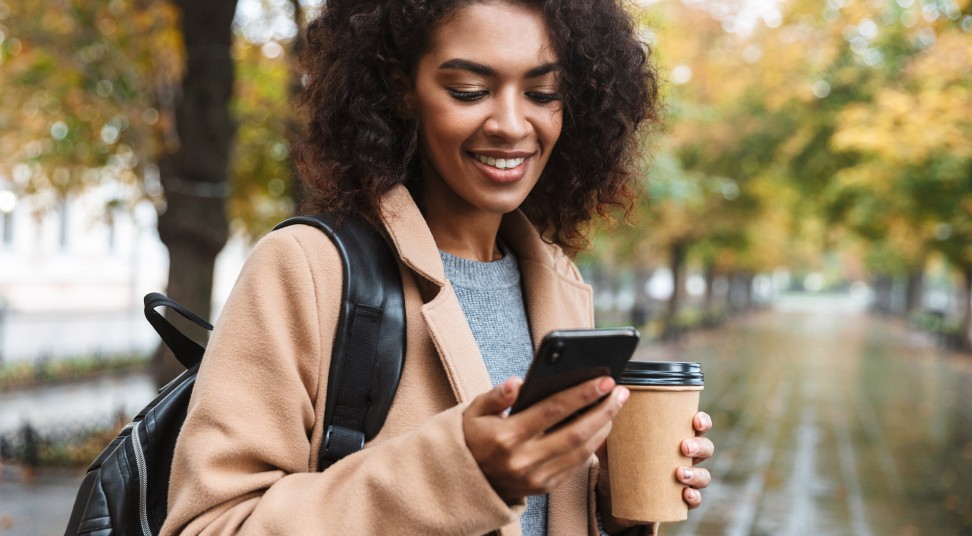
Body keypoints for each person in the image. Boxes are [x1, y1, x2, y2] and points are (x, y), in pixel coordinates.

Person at [161, 0, 714, 534]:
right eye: (469, 90)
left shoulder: (560, 284)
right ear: (403, 89)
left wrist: (611, 506)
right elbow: (214, 525)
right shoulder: (306, 270)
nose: (511, 124)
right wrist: (464, 471)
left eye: (544, 93)